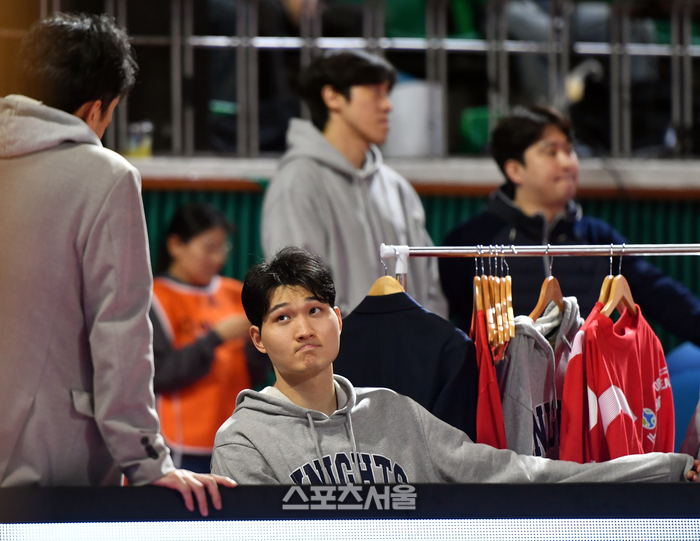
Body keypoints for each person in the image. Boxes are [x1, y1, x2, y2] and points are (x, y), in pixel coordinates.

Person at [0, 13, 234, 514]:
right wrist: (149, 462)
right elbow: (120, 328)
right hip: (50, 468)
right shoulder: (105, 175)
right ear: (96, 108)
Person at [210, 246, 700, 485]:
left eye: (315, 311)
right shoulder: (244, 439)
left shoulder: (396, 414)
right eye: (283, 318)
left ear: (339, 320)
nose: (303, 329)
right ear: (258, 338)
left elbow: (517, 471)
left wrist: (668, 467)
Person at [438, 105, 700, 343]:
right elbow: (452, 325)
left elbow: (661, 295)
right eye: (551, 152)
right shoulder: (471, 241)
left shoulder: (597, 237)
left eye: (569, 150)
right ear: (515, 170)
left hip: (588, 379)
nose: (567, 163)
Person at [261, 49, 447, 318]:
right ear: (333, 97)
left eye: (387, 93)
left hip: (412, 345)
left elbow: (431, 287)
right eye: (375, 92)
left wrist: (425, 338)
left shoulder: (397, 187)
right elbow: (300, 296)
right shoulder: (297, 183)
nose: (388, 105)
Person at [150, 202, 270, 473]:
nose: (217, 258)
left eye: (223, 248)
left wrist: (260, 344)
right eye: (209, 248)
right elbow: (160, 374)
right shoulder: (155, 298)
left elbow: (254, 374)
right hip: (180, 441)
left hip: (236, 436)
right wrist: (215, 337)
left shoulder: (235, 293)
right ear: (176, 245)